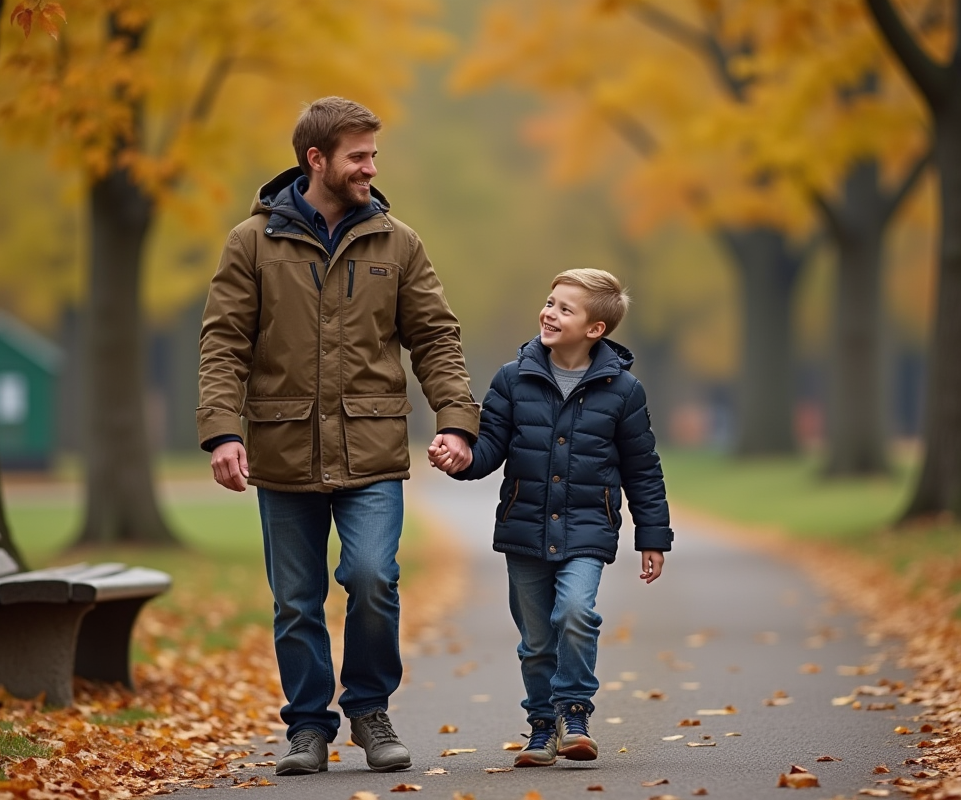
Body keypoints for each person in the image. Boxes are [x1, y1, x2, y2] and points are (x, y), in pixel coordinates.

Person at [197, 96, 480, 776]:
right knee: (296, 601)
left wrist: (456, 420)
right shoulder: (251, 243)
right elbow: (224, 343)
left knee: (373, 577)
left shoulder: (398, 242)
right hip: (283, 449)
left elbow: (435, 338)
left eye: (373, 155)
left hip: (371, 449)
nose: (370, 168)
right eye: (358, 156)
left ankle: (371, 709)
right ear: (315, 159)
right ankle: (307, 727)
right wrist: (222, 433)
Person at [428, 268, 672, 767]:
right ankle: (542, 727)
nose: (549, 313)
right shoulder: (512, 379)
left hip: (588, 528)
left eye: (565, 309)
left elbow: (643, 469)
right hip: (524, 528)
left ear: (595, 329)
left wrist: (653, 536)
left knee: (576, 613)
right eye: (549, 302)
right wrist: (460, 459)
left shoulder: (624, 391)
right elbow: (489, 449)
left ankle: (574, 714)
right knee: (537, 641)